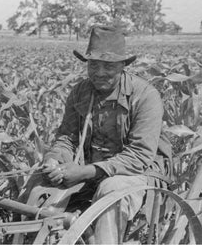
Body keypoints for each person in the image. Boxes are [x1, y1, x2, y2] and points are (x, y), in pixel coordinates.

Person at [42, 25, 171, 244]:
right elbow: (67, 137)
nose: (99, 72)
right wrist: (54, 159)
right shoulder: (80, 92)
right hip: (91, 172)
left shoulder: (145, 96)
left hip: (139, 173)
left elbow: (139, 156)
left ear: (122, 65)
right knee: (39, 186)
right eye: (93, 64)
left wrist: (84, 172)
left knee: (111, 191)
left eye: (108, 66)